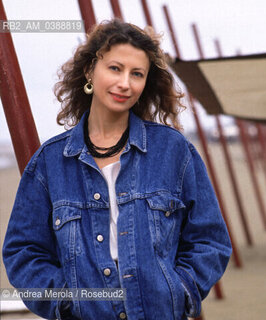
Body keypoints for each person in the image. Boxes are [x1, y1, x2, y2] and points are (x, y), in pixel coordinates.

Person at [2, 19, 232, 320]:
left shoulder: (173, 151)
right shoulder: (49, 162)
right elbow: (24, 252)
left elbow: (210, 239)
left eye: (137, 74)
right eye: (115, 68)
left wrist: (180, 290)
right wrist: (66, 303)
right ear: (89, 71)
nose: (125, 83)